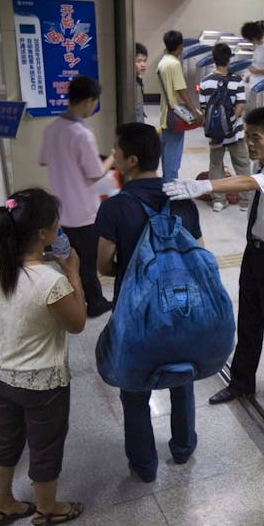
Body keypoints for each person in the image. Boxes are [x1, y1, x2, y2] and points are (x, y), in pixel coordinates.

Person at [163, 108, 264, 418]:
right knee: (249, 321)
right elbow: (250, 179)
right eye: (247, 136)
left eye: (256, 137)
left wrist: (205, 186)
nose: (250, 143)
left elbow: (250, 183)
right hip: (254, 254)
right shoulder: (261, 164)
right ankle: (241, 382)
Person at [0, 188, 86, 526]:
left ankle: (2, 505)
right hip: (42, 382)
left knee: (4, 438)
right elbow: (76, 323)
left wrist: (8, 312)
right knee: (45, 446)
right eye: (57, 224)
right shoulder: (51, 281)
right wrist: (73, 271)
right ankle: (48, 508)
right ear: (45, 233)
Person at [95, 122, 204, 482]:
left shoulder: (114, 209)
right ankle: (184, 446)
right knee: (181, 376)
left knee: (135, 387)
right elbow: (200, 254)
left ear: (131, 161)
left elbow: (103, 265)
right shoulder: (182, 200)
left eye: (117, 153)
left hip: (135, 310)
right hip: (180, 307)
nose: (114, 159)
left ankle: (144, 465)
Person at [39, 75, 114, 318]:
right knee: (87, 264)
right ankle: (94, 303)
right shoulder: (82, 133)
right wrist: (113, 158)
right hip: (84, 212)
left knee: (69, 258)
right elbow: (94, 174)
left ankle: (75, 297)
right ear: (89, 101)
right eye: (95, 102)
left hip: (61, 212)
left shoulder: (53, 128)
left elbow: (43, 159)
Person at [200, 43, 250, 213]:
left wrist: (215, 126)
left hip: (215, 133)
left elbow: (204, 109)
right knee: (242, 164)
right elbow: (241, 105)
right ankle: (245, 202)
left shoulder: (205, 82)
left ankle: (218, 201)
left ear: (213, 59)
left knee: (216, 166)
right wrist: (230, 122)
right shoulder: (237, 80)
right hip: (235, 132)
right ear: (229, 59)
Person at [157, 30, 202, 182]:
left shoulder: (162, 62)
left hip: (165, 114)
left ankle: (165, 183)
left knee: (166, 152)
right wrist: (193, 111)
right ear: (180, 46)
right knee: (173, 156)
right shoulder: (174, 64)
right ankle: (171, 188)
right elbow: (181, 90)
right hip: (176, 116)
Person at [134, 42, 148, 123]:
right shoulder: (132, 84)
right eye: (139, 61)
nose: (143, 65)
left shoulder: (139, 79)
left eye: (145, 61)